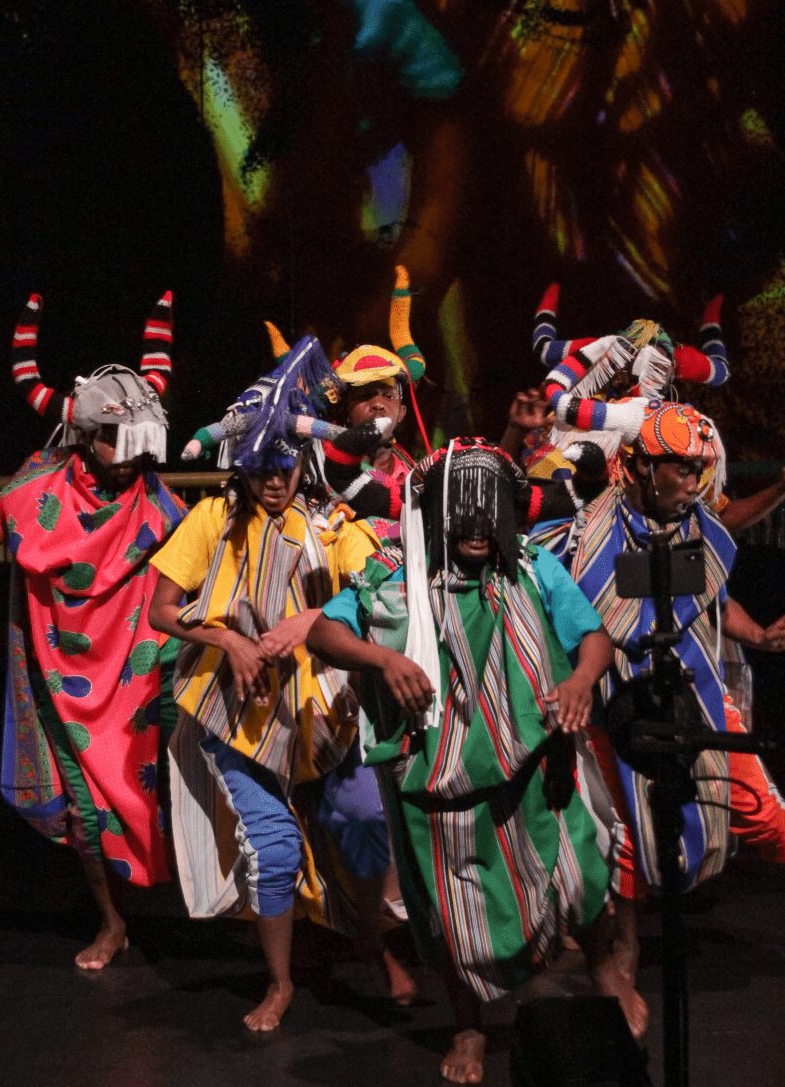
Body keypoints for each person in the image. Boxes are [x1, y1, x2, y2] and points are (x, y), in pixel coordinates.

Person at [307, 439, 647, 1085]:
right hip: (435, 774)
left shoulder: (534, 564)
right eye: (460, 518)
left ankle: (605, 971)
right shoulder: (394, 570)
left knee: (578, 868)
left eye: (486, 516)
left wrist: (579, 682)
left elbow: (593, 637)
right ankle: (469, 1025)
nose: (474, 530)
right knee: (450, 912)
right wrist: (385, 659)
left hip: (535, 758)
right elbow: (326, 630)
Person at [148, 336, 412, 1032]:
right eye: (264, 465)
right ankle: (281, 982)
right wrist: (228, 636)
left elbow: (383, 574)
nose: (276, 479)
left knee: (364, 820)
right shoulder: (213, 519)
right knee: (274, 849)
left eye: (287, 465)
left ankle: (367, 943)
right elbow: (162, 610)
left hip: (318, 713)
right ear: (245, 463)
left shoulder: (330, 524)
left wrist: (312, 619)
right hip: (236, 715)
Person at [572, 400, 785, 977]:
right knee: (628, 835)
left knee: (764, 811)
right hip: (622, 704)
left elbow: (707, 592)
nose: (694, 482)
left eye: (697, 469)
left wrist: (758, 634)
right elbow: (597, 623)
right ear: (638, 467)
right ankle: (627, 945)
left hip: (697, 695)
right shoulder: (597, 533)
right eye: (681, 469)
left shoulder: (688, 520)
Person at [0, 291, 184, 969]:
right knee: (84, 816)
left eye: (142, 444)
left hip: (140, 672)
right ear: (87, 436)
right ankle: (112, 924)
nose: (134, 457)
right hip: (67, 679)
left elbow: (197, 565)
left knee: (185, 783)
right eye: (120, 441)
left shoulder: (158, 500)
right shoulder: (35, 490)